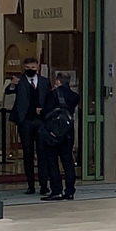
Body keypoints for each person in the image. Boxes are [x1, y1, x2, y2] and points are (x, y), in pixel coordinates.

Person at [39, 73, 79, 201]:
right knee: (67, 161)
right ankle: (70, 191)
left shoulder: (52, 94)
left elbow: (46, 112)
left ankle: (56, 190)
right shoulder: (75, 96)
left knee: (52, 161)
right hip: (67, 131)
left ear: (57, 81)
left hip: (53, 132)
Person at [11, 58, 48, 196]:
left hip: (40, 121)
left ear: (37, 67)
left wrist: (44, 111)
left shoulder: (44, 81)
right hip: (25, 121)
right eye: (27, 67)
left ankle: (44, 185)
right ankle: (30, 185)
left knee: (42, 153)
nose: (30, 69)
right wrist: (13, 85)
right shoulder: (19, 80)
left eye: (32, 67)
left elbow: (48, 97)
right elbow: (9, 91)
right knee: (28, 153)